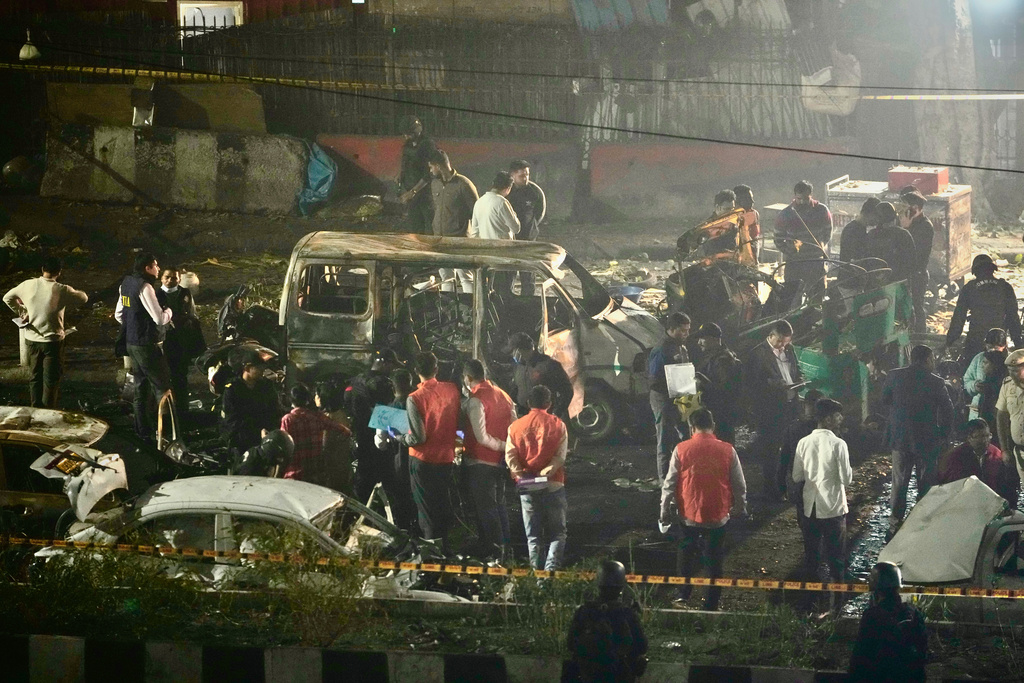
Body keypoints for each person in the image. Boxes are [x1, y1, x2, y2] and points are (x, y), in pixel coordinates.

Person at [659, 408, 746, 611]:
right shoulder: (728, 450)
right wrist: (741, 507)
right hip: (718, 514)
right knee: (714, 559)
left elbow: (669, 483)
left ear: (691, 428)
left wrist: (664, 509)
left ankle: (682, 594)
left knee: (686, 553)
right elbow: (739, 484)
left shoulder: (681, 449)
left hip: (688, 513)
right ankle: (711, 602)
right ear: (713, 426)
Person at [882, 345, 954, 535]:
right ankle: (923, 523)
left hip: (900, 439)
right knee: (926, 483)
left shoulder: (894, 376)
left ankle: (895, 523)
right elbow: (948, 410)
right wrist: (944, 435)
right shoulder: (936, 382)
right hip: (927, 440)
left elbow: (885, 400)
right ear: (928, 359)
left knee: (899, 483)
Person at [3, 255, 87, 408]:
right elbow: (84, 298)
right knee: (51, 379)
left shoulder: (27, 284)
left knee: (35, 376)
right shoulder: (62, 289)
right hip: (52, 341)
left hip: (32, 339)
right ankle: (48, 411)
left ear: (42, 269)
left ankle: (35, 408)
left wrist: (22, 311)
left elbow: (7, 298)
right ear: (59, 272)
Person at [400, 351, 461, 546]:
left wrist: (400, 437)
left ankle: (432, 557)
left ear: (416, 370)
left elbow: (418, 437)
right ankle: (444, 548)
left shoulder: (414, 398)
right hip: (446, 459)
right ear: (437, 368)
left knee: (426, 511)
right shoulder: (452, 390)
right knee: (442, 505)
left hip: (423, 460)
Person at [506, 384, 569, 571]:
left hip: (527, 483)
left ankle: (537, 574)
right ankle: (551, 571)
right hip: (553, 483)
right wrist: (547, 470)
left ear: (528, 403)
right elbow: (560, 457)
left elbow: (510, 456)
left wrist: (519, 473)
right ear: (549, 403)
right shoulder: (559, 424)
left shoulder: (515, 426)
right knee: (558, 533)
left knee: (533, 535)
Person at [792, 398, 852, 584]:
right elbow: (846, 479)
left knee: (811, 557)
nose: (840, 418)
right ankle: (837, 600)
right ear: (827, 419)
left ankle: (810, 598)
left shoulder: (803, 442)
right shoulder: (838, 444)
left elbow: (796, 476)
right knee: (836, 558)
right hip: (833, 508)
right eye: (837, 415)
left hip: (810, 507)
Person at [460, 358, 516, 560]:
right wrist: (507, 447)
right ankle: (503, 546)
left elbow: (481, 436)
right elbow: (514, 427)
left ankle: (494, 551)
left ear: (467, 378)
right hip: (500, 462)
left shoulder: (476, 401)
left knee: (486, 509)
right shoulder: (504, 395)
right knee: (499, 506)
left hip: (481, 462)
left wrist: (501, 446)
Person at [115, 253, 173, 440]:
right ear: (147, 268)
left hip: (131, 344)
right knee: (162, 388)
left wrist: (133, 325)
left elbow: (119, 314)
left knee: (141, 388)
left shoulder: (126, 284)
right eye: (155, 265)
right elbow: (159, 318)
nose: (158, 269)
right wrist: (169, 312)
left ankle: (143, 431)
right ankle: (168, 433)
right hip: (147, 346)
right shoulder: (145, 287)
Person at [745, 319, 804, 499]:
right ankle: (770, 488)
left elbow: (796, 369)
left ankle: (787, 484)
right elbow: (752, 385)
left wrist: (800, 378)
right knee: (771, 449)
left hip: (790, 406)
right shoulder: (758, 355)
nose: (782, 346)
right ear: (770, 336)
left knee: (789, 446)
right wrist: (772, 386)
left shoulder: (790, 349)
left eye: (786, 342)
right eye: (779, 342)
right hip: (770, 410)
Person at [565, 560, 648, 683]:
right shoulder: (627, 614)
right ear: (621, 585)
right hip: (619, 676)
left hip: (588, 676)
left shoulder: (585, 611)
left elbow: (571, 644)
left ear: (598, 584)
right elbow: (642, 647)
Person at [848, 562, 927, 683]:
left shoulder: (872, 616)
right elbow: (922, 651)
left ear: (875, 586)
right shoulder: (913, 613)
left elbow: (860, 655)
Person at [946, 254, 1022, 366]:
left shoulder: (969, 288)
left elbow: (959, 317)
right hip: (998, 341)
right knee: (1001, 372)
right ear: (993, 270)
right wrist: (1018, 344)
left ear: (975, 272)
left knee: (968, 372)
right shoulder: (1005, 287)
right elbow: (1013, 318)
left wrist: (950, 341)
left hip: (975, 341)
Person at [347, 350, 400, 504]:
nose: (392, 370)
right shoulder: (382, 383)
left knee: (363, 478)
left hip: (361, 434)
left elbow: (348, 399)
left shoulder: (358, 379)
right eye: (391, 365)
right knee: (388, 480)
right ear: (383, 363)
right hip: (378, 439)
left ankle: (359, 512)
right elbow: (386, 414)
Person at [374, 368, 419, 532]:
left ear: (392, 388)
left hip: (396, 460)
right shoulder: (420, 406)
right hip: (418, 458)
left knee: (400, 498)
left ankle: (403, 528)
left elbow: (380, 444)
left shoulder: (383, 411)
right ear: (410, 384)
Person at [649, 312, 691, 483]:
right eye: (682, 331)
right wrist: (673, 388)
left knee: (686, 436)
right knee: (665, 439)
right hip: (664, 399)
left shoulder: (680, 347)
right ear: (671, 329)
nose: (686, 334)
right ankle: (665, 482)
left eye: (688, 330)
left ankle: (683, 475)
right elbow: (654, 380)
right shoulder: (661, 350)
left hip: (680, 396)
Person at [429, 149, 479, 292]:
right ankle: (448, 308)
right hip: (439, 239)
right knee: (445, 276)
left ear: (438, 166)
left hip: (460, 240)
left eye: (431, 167)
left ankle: (470, 310)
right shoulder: (435, 184)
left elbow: (476, 212)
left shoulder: (464, 184)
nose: (431, 170)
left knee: (466, 276)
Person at [279, 383, 351, 482]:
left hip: (294, 475)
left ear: (291, 400)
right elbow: (345, 432)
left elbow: (282, 446)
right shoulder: (318, 417)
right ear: (308, 400)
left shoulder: (288, 420)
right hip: (316, 475)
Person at [156, 266, 205, 411]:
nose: (171, 280)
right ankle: (169, 408)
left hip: (182, 339)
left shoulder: (185, 293)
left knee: (181, 374)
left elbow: (192, 313)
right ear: (162, 279)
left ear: (179, 279)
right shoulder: (156, 295)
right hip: (166, 339)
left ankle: (183, 407)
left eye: (174, 277)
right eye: (167, 277)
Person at [938, 419, 1019, 505]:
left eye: (987, 436)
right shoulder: (954, 457)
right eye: (979, 437)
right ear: (969, 438)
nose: (985, 440)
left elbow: (1006, 485)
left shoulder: (997, 455)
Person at [774, 180, 833, 295]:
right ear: (795, 196)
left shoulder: (822, 210)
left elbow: (828, 232)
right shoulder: (786, 214)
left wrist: (818, 247)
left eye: (805, 199)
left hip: (816, 262)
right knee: (792, 298)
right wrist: (790, 251)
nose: (801, 202)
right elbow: (778, 239)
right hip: (794, 264)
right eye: (798, 199)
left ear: (811, 195)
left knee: (817, 296)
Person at [220, 354, 283, 458]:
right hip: (242, 441)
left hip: (267, 440)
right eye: (258, 368)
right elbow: (232, 421)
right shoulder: (232, 389)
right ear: (247, 368)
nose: (262, 371)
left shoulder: (266, 386)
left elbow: (275, 410)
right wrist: (258, 432)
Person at [469, 171, 521, 297]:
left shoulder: (479, 202)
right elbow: (516, 228)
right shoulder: (502, 202)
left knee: (488, 293)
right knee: (505, 293)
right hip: (504, 256)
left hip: (485, 256)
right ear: (508, 188)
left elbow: (474, 233)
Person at [508, 332, 574, 422]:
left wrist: (556, 413)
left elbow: (567, 390)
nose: (513, 355)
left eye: (514, 351)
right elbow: (516, 388)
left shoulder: (549, 365)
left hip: (545, 419)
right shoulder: (518, 366)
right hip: (524, 417)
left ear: (522, 350)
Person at [693, 323, 741, 444]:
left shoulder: (723, 360)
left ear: (713, 339)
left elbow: (724, 390)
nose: (699, 343)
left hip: (720, 416)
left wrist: (701, 381)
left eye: (702, 339)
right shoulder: (714, 356)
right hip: (716, 414)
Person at [508, 159, 547, 295]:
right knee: (508, 275)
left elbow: (539, 213)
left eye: (527, 175)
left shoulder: (534, 191)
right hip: (510, 241)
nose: (525, 178)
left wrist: (531, 227)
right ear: (512, 175)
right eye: (522, 176)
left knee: (528, 276)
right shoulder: (506, 192)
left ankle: (528, 302)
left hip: (529, 239)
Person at [396, 116, 438, 235]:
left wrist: (413, 191)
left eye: (409, 133)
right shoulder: (408, 145)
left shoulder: (427, 145)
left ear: (417, 130)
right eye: (404, 134)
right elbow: (406, 162)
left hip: (424, 192)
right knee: (414, 227)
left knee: (429, 226)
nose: (406, 137)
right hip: (410, 191)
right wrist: (401, 174)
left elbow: (429, 173)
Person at [901, 191, 934, 334]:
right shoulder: (908, 222)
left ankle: (921, 335)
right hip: (905, 272)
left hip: (917, 273)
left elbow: (913, 250)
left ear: (915, 207)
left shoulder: (925, 226)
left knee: (917, 305)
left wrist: (906, 228)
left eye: (905, 206)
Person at [315, 379, 354, 495]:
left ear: (323, 397)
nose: (315, 398)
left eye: (317, 395)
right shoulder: (340, 414)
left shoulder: (329, 418)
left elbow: (325, 444)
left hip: (333, 466)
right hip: (342, 463)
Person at [862, 202, 917, 284]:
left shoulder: (871, 235)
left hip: (874, 285)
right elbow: (912, 262)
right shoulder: (903, 235)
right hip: (898, 284)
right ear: (895, 218)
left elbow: (865, 260)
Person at [963, 328, 1008, 421]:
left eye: (996, 347)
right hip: (976, 411)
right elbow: (967, 379)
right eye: (990, 346)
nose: (992, 350)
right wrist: (974, 386)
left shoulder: (1009, 362)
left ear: (1004, 346)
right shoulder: (979, 358)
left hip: (999, 413)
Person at [996, 349, 1024, 487]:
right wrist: (1004, 448)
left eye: (1016, 370)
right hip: (1019, 451)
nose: (1012, 375)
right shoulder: (1007, 386)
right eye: (1010, 370)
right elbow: (1001, 416)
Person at [838, 198, 880, 264]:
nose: (878, 220)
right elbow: (854, 257)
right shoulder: (853, 231)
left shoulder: (855, 228)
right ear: (869, 213)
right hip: (851, 272)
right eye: (877, 216)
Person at [733, 184, 760, 262]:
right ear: (738, 200)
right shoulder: (732, 219)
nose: (752, 201)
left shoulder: (754, 214)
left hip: (753, 260)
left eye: (752, 198)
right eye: (748, 199)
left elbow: (756, 239)